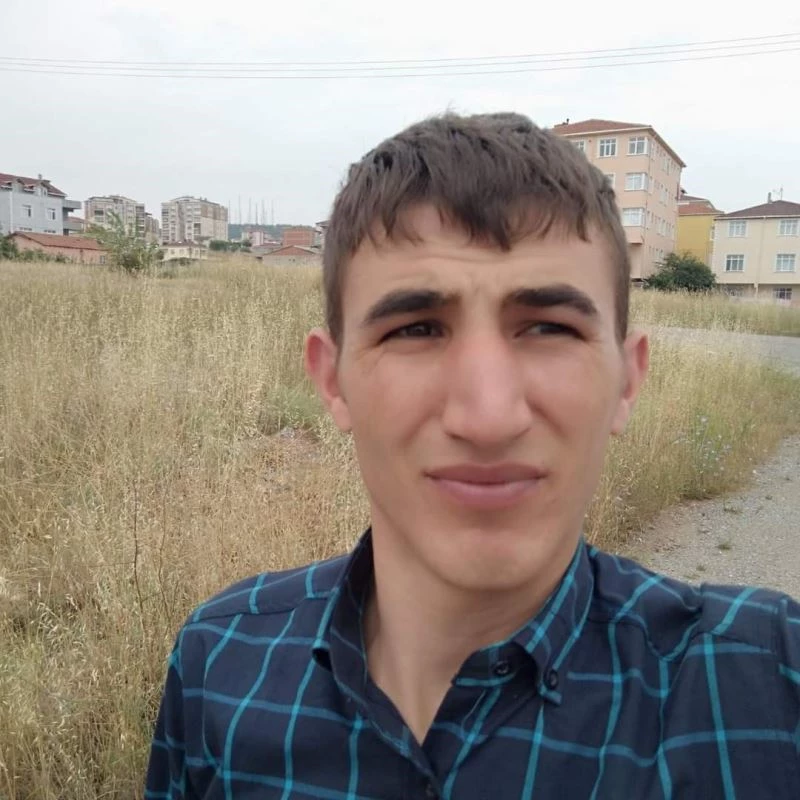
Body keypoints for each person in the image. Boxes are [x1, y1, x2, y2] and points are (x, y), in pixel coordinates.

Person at [145, 112, 800, 799]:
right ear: (333, 381)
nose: (488, 418)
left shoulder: (770, 687)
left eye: (548, 328)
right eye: (416, 329)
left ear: (626, 382)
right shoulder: (220, 663)